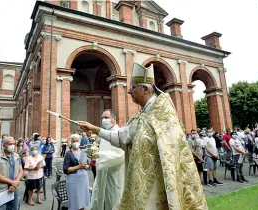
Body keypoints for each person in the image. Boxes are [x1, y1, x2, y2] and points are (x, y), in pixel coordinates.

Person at [79, 63, 207, 209]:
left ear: (145, 89)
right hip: (140, 180)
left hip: (161, 180)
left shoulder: (164, 113)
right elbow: (122, 137)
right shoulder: (140, 116)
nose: (129, 92)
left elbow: (173, 149)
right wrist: (95, 129)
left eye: (133, 88)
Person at [90, 109, 125, 210]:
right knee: (100, 200)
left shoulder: (119, 133)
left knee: (113, 202)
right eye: (102, 118)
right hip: (102, 173)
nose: (103, 120)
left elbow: (121, 155)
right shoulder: (105, 133)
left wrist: (100, 155)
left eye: (106, 117)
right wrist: (95, 150)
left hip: (114, 175)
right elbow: (102, 148)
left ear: (114, 119)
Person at [0, 137, 23, 210]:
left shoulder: (16, 156)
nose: (12, 146)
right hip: (1, 190)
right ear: (4, 145)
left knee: (14, 208)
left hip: (14, 188)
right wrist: (13, 182)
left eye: (13, 144)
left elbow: (21, 171)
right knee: (1, 208)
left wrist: (16, 183)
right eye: (10, 144)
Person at [63, 134, 90, 210]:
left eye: (77, 141)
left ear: (79, 141)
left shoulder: (84, 152)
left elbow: (87, 164)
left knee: (82, 201)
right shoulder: (68, 154)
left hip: (83, 179)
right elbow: (66, 170)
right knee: (74, 201)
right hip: (73, 181)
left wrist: (87, 166)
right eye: (73, 141)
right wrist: (78, 167)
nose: (75, 142)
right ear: (71, 142)